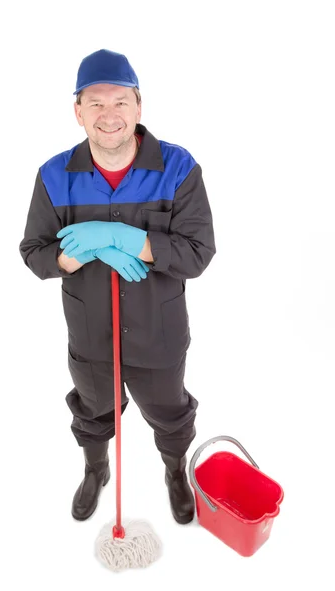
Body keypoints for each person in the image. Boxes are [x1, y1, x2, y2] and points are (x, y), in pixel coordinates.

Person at [19, 49, 216, 525]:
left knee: (171, 416)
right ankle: (95, 469)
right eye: (96, 103)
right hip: (91, 335)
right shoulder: (53, 176)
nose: (109, 115)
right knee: (92, 414)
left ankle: (175, 474)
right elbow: (34, 253)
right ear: (78, 111)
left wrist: (126, 237)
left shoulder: (178, 168)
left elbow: (198, 253)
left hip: (159, 332)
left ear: (138, 107)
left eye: (120, 102)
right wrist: (84, 250)